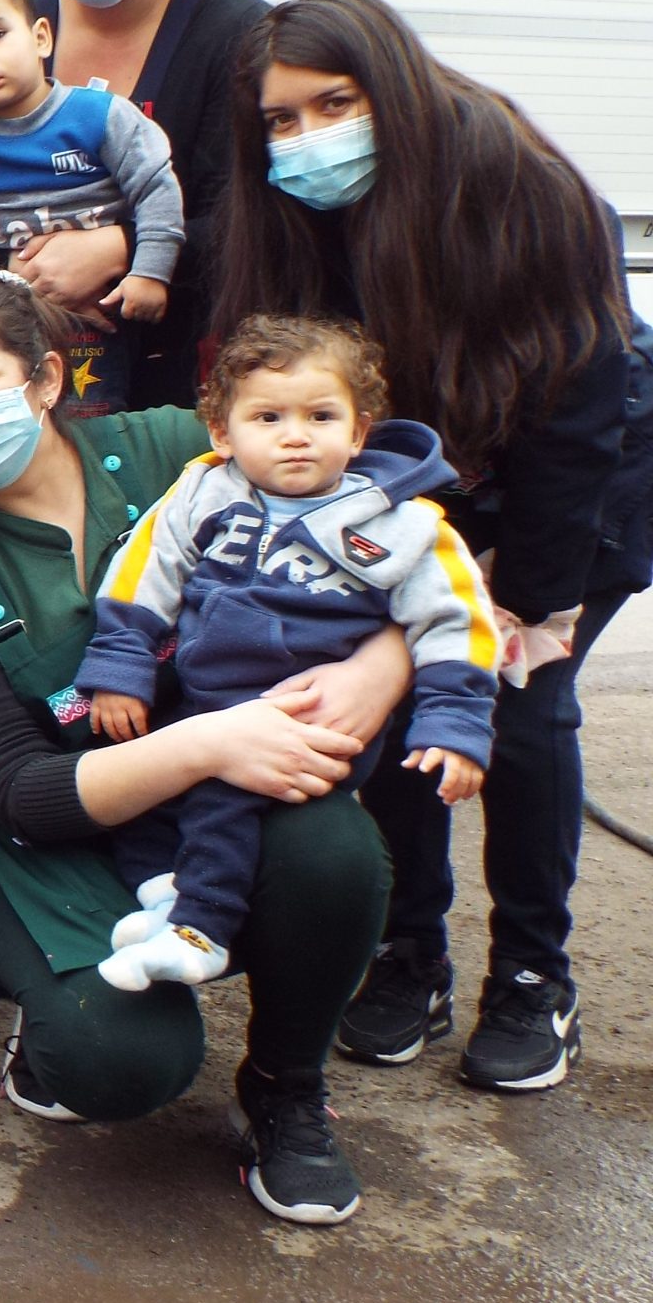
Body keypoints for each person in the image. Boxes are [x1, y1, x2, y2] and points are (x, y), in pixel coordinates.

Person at [0, 272, 408, 1227]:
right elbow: (14, 792)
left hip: (216, 810)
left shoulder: (177, 450)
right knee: (122, 1062)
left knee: (334, 853)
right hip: (39, 847)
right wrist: (210, 741)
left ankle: (287, 1088)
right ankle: (46, 1026)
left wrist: (382, 662)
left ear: (44, 378)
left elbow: (391, 546)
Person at [210, 0, 653, 1093]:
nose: (305, 139)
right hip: (428, 478)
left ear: (390, 90)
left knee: (515, 701)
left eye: (332, 104)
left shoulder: (523, 187)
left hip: (577, 477)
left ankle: (532, 978)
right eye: (280, 120)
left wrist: (522, 601)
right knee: (398, 701)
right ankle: (411, 948)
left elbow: (580, 408)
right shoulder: (292, 218)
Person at [77, 314, 499, 991]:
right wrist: (120, 669)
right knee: (134, 780)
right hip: (204, 696)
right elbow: (142, 574)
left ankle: (201, 931)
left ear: (359, 432)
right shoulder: (203, 491)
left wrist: (455, 724)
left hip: (310, 715)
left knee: (224, 798)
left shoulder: (407, 525)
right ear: (223, 432)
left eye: (322, 416)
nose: (296, 435)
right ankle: (165, 895)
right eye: (268, 417)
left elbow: (459, 623)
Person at [3, 0, 266, 409]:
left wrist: (120, 249)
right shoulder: (14, 25)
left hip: (183, 391)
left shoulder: (235, 31)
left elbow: (258, 221)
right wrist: (14, 273)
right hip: (29, 380)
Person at [0, 0, 181, 415]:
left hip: (91, 313)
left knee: (89, 417)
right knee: (8, 414)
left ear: (40, 37)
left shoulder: (99, 115)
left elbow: (156, 188)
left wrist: (150, 272)